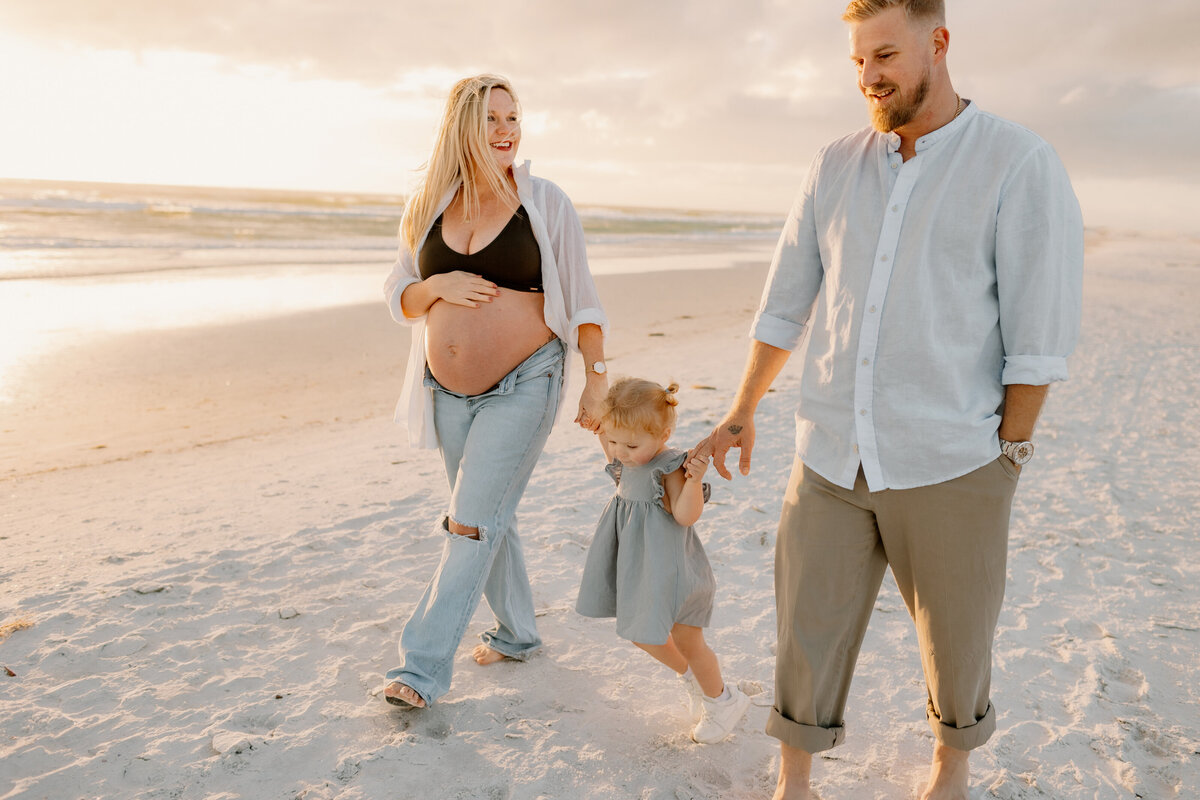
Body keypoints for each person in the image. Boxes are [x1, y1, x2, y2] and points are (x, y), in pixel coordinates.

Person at [699, 1, 1084, 797]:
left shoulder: (1018, 161)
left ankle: (950, 769)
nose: (869, 78)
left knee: (956, 634)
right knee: (805, 625)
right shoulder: (833, 163)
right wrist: (743, 409)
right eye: (857, 64)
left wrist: (1008, 454)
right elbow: (785, 303)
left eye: (885, 57)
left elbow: (1038, 335)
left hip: (953, 456)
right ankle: (794, 778)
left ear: (938, 44)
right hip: (831, 448)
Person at [381, 74, 609, 709]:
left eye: (513, 117)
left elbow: (583, 297)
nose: (507, 130)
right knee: (489, 518)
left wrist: (596, 379)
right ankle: (517, 633)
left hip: (525, 382)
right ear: (462, 129)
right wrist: (438, 286)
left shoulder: (545, 201)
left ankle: (420, 669)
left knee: (470, 522)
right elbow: (398, 292)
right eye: (491, 120)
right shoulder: (428, 202)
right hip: (447, 392)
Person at [576, 378, 752, 744]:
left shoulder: (670, 467)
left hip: (671, 568)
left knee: (687, 638)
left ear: (664, 434)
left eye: (630, 444)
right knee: (642, 633)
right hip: (639, 564)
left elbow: (686, 516)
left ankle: (723, 700)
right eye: (612, 440)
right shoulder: (627, 454)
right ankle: (694, 681)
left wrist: (693, 481)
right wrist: (601, 428)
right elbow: (618, 450)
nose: (619, 452)